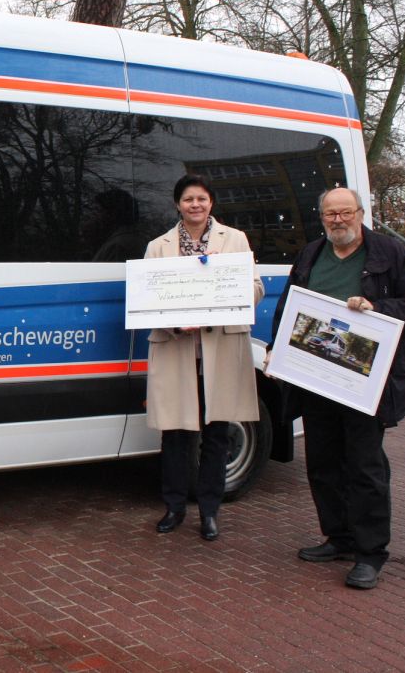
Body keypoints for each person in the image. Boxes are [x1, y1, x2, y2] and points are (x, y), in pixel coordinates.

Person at [271, 187, 405, 589]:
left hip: (365, 382)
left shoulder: (390, 255)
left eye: (345, 212)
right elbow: (288, 307)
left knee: (365, 466)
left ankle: (370, 552)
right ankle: (338, 537)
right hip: (315, 378)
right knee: (322, 463)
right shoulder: (310, 254)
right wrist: (279, 350)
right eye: (330, 214)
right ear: (322, 217)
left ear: (361, 213)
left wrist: (378, 308)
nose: (338, 220)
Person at [144, 174, 264, 541]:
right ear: (177, 204)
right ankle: (174, 507)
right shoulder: (159, 246)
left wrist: (224, 281)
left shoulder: (235, 240)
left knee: (217, 434)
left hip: (222, 349)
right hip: (177, 348)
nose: (195, 205)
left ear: (211, 203)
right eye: (188, 199)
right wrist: (177, 323)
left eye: (202, 198)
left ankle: (210, 511)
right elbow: (146, 298)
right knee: (176, 434)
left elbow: (256, 289)